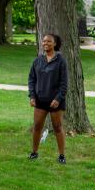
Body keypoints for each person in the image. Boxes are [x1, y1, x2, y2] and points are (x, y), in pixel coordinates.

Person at [28, 34, 68, 164]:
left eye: (49, 41)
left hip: (56, 101)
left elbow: (64, 83)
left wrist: (58, 99)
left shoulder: (61, 61)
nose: (45, 43)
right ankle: (34, 152)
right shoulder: (37, 61)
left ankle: (62, 155)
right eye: (44, 41)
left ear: (55, 44)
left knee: (57, 127)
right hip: (40, 100)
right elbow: (31, 80)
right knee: (37, 126)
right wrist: (32, 96)